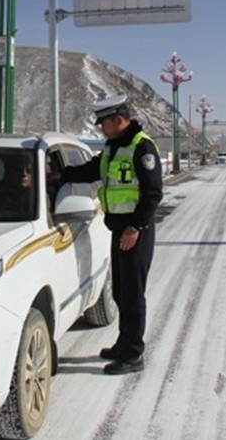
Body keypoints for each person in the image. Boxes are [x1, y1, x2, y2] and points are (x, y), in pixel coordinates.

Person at [49, 93, 162, 375]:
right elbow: (92, 170)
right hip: (118, 229)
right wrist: (61, 176)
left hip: (135, 232)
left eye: (104, 124)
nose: (101, 129)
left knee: (133, 295)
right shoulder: (113, 147)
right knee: (122, 292)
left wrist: (135, 227)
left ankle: (133, 354)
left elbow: (153, 194)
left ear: (118, 120)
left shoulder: (142, 147)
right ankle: (124, 343)